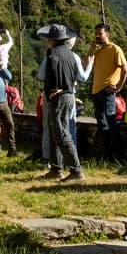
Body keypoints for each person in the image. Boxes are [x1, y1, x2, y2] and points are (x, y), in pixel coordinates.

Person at [34, 33, 92, 163]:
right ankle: (71, 159)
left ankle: (48, 158)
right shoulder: (74, 56)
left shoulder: (49, 54)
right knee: (69, 127)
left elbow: (41, 75)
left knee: (48, 127)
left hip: (49, 94)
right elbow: (83, 77)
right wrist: (89, 65)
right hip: (68, 93)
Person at [40, 23, 86, 183]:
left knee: (61, 134)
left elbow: (50, 71)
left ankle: (76, 170)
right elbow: (77, 76)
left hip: (59, 97)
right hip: (69, 96)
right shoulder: (71, 54)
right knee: (56, 133)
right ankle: (56, 168)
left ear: (52, 39)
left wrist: (53, 89)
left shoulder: (52, 53)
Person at [89, 23, 127, 163]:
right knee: (102, 124)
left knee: (111, 121)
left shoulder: (115, 49)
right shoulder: (98, 51)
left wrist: (117, 87)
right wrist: (91, 49)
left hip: (107, 91)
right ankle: (107, 156)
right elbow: (85, 65)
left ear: (107, 34)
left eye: (100, 33)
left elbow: (125, 69)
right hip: (96, 91)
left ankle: (119, 156)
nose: (97, 36)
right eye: (96, 33)